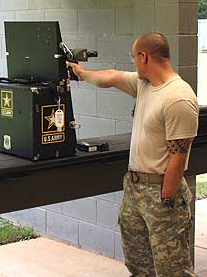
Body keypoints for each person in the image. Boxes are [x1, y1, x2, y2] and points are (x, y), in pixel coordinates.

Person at [67, 32, 198, 277]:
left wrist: (166, 200)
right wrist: (81, 73)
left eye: (133, 57)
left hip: (160, 192)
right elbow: (111, 78)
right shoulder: (145, 84)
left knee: (173, 270)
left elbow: (178, 158)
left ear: (144, 56)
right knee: (140, 267)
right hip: (135, 189)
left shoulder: (177, 97)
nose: (133, 63)